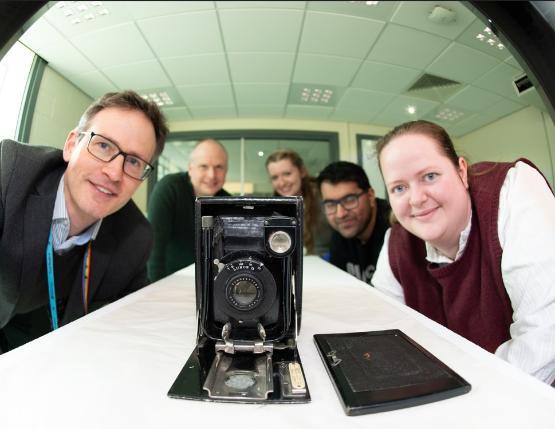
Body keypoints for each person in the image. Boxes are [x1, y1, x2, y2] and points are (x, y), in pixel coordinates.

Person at [371, 119, 555, 384]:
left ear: (461, 171)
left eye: (430, 176)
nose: (416, 199)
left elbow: (544, 339)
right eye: (399, 188)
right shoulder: (396, 243)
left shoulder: (512, 189)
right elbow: (384, 333)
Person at [0, 90, 168, 352]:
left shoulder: (135, 237)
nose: (113, 172)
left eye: (133, 161)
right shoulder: (8, 174)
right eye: (103, 145)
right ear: (71, 145)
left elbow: (129, 321)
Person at [147, 139, 230, 282]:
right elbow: (153, 250)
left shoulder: (227, 201)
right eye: (204, 166)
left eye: (219, 167)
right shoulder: (169, 188)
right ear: (190, 168)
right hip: (167, 281)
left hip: (209, 284)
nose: (211, 175)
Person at [317, 161, 390, 284]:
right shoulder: (339, 236)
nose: (340, 214)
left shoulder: (397, 230)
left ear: (370, 196)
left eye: (350, 200)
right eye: (330, 204)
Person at [265, 149, 332, 256]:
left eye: (287, 174)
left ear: (302, 172)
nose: (281, 183)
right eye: (275, 177)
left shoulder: (323, 197)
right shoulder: (274, 207)